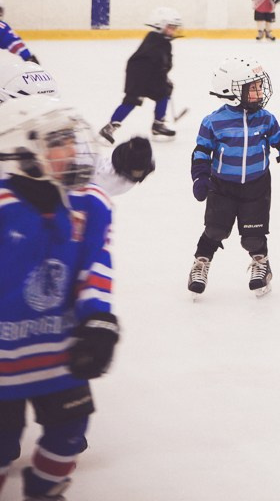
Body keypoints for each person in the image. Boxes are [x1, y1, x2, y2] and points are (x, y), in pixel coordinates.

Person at [0, 96, 119, 501]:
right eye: (58, 142)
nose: (72, 149)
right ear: (23, 152)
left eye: (71, 139)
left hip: (58, 353)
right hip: (2, 361)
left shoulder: (88, 203)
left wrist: (98, 319)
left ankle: (45, 491)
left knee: (70, 432)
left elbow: (95, 264)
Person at [187, 57, 280, 298]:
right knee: (215, 230)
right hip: (222, 187)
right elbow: (201, 152)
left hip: (256, 187)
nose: (260, 92)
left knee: (253, 237)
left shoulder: (265, 118)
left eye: (260, 86)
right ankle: (201, 262)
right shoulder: (213, 122)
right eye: (253, 88)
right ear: (230, 91)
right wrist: (200, 178)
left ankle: (261, 264)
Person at [0, 53, 157, 197]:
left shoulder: (54, 135)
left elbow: (91, 177)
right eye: (38, 110)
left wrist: (125, 169)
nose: (47, 120)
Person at [99, 7, 182, 144]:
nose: (173, 30)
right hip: (138, 76)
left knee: (163, 93)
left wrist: (163, 77)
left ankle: (158, 125)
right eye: (171, 27)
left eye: (174, 27)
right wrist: (162, 76)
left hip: (146, 75)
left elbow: (160, 64)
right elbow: (158, 62)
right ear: (160, 25)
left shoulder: (158, 39)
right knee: (131, 101)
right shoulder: (157, 40)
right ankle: (109, 127)